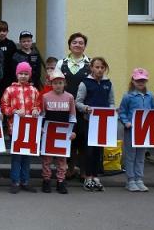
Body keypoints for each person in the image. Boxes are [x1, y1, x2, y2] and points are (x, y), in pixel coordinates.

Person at [1, 61, 42, 194]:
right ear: (16, 74)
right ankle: (15, 181)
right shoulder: (9, 90)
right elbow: (4, 106)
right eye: (21, 73)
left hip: (30, 129)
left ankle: (25, 181)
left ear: (29, 75)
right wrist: (13, 111)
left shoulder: (34, 90)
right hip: (15, 128)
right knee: (17, 156)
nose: (23, 76)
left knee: (27, 156)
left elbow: (39, 105)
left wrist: (37, 110)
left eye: (26, 73)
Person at [75, 56, 113, 192]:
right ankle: (88, 177)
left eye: (102, 67)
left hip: (102, 122)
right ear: (91, 68)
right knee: (89, 151)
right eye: (97, 67)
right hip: (88, 122)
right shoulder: (85, 83)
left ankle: (96, 176)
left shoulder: (108, 83)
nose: (100, 70)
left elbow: (111, 101)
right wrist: (86, 108)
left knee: (98, 150)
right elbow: (78, 102)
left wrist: (112, 111)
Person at [119, 68, 154, 193]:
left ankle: (139, 179)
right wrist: (126, 122)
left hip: (144, 131)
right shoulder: (128, 96)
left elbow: (153, 111)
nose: (141, 83)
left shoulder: (150, 96)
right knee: (130, 156)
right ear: (133, 81)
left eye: (143, 80)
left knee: (141, 155)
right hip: (131, 130)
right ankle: (130, 180)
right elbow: (122, 112)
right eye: (138, 80)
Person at [61, 32, 92, 178]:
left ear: (85, 46)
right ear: (69, 45)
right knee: (69, 139)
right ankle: (70, 168)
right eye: (74, 42)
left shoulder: (91, 64)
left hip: (84, 108)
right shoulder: (62, 63)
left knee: (84, 139)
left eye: (81, 43)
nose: (77, 45)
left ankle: (84, 171)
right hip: (66, 108)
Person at [40, 70, 75, 194]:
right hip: (48, 133)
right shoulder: (45, 97)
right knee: (47, 159)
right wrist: (41, 129)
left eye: (60, 83)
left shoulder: (70, 97)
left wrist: (73, 131)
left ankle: (61, 181)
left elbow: (72, 116)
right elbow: (42, 115)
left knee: (62, 159)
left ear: (64, 83)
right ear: (51, 83)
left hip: (63, 133)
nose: (58, 85)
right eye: (55, 83)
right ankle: (46, 180)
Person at [0, 21, 19, 93]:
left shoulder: (10, 44)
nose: (2, 33)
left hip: (9, 77)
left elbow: (15, 60)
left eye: (4, 31)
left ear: (7, 31)